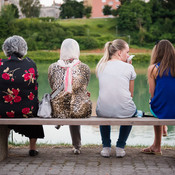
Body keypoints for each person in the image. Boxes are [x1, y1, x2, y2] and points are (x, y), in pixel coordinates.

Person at [0, 35, 44, 156]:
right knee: (33, 107)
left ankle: (4, 145)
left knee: (6, 107)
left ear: (6, 49)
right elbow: (35, 87)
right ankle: (32, 148)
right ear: (23, 48)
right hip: (27, 111)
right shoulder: (30, 64)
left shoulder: (0, 64)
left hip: (2, 111)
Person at [48, 38, 92, 154]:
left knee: (65, 101)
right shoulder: (84, 67)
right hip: (80, 110)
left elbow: (53, 86)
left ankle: (60, 120)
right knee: (76, 101)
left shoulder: (53, 67)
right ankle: (77, 146)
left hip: (58, 109)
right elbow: (84, 86)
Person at [96, 39, 137, 158]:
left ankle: (106, 147)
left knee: (103, 109)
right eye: (127, 52)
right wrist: (129, 67)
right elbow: (131, 95)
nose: (128, 55)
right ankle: (120, 147)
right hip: (125, 111)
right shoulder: (129, 68)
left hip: (103, 111)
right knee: (131, 111)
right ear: (119, 52)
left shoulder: (101, 66)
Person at [142, 40, 175, 155]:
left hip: (161, 110)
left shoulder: (153, 68)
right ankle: (163, 125)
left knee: (154, 103)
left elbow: (153, 94)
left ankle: (157, 146)